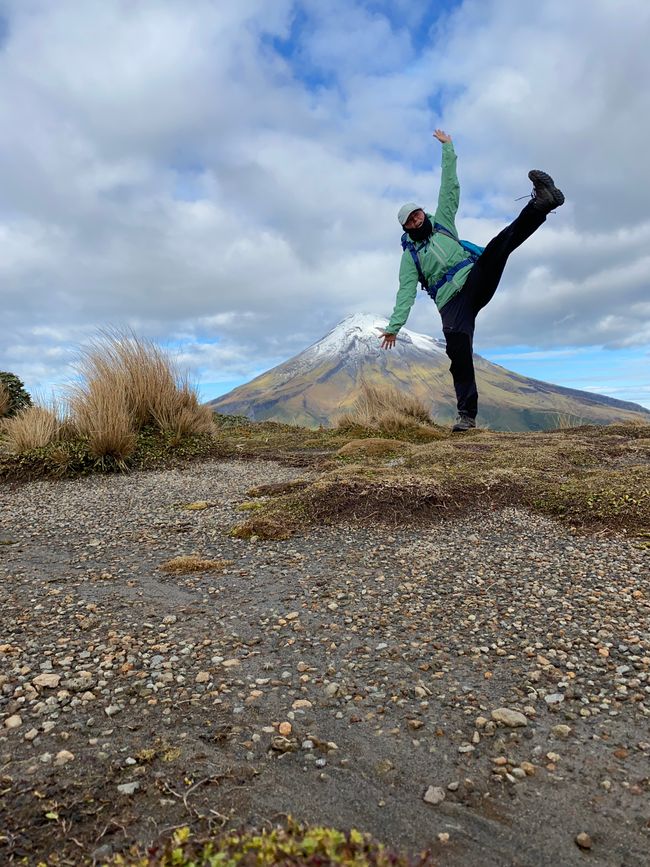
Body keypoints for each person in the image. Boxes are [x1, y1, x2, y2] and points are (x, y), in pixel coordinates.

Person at [380, 129, 564, 432]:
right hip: (451, 305)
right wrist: (393, 327)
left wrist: (448, 148)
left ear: (423, 213)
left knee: (500, 244)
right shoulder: (409, 257)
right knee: (458, 354)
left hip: (474, 278)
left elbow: (449, 187)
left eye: (417, 214)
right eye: (410, 221)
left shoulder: (442, 224)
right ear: (405, 228)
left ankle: (542, 203)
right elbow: (405, 292)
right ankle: (467, 417)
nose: (417, 221)